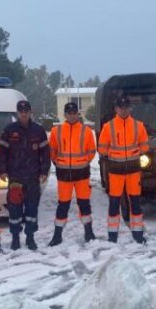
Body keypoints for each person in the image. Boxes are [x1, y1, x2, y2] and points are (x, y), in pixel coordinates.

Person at [0, 100, 50, 251]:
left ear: (30, 112)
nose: (24, 113)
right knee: (15, 210)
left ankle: (30, 237)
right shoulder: (9, 130)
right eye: (21, 111)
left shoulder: (38, 131)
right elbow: (2, 153)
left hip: (33, 178)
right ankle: (15, 238)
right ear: (17, 113)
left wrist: (44, 171)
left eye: (26, 111)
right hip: (15, 178)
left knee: (32, 209)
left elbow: (45, 154)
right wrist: (2, 170)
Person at [97, 95, 150, 244]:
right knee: (114, 203)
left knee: (135, 203)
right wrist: (113, 154)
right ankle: (112, 236)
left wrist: (135, 152)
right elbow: (101, 149)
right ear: (116, 109)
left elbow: (145, 146)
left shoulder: (138, 125)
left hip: (133, 171)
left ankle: (138, 234)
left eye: (126, 107)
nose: (124, 110)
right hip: (115, 172)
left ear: (130, 108)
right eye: (121, 107)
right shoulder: (108, 126)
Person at [48, 101, 97, 246]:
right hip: (64, 174)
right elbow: (52, 150)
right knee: (63, 205)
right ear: (65, 114)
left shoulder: (86, 131)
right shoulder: (56, 131)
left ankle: (89, 232)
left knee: (84, 204)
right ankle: (57, 235)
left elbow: (92, 151)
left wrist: (83, 161)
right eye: (69, 113)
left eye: (74, 113)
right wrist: (58, 162)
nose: (72, 115)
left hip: (82, 173)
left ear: (78, 114)